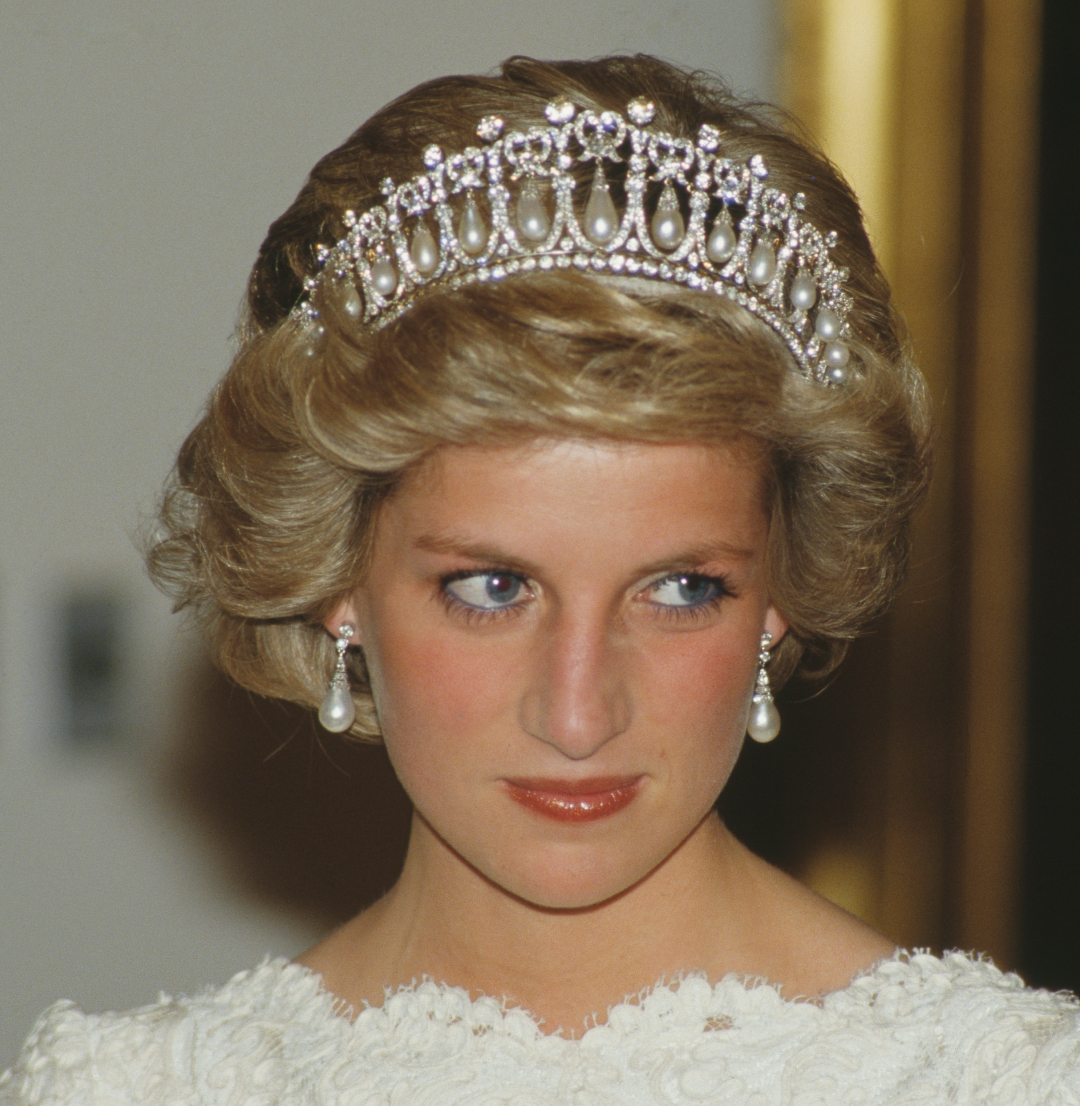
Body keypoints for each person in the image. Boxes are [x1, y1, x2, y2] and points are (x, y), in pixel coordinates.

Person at [3, 53, 1077, 1105]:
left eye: (680, 589)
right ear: (337, 577)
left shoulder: (1007, 1081)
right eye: (491, 588)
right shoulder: (124, 1085)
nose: (578, 713)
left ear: (782, 590)